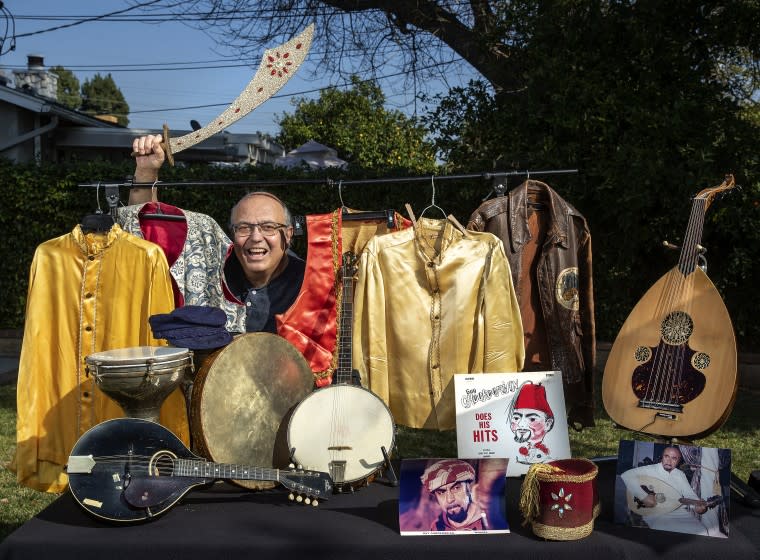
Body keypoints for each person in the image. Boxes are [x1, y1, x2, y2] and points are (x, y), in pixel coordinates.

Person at [130, 134, 305, 333]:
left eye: (268, 227)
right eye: (244, 228)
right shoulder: (211, 269)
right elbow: (145, 236)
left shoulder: (310, 285)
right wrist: (146, 171)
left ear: (288, 234)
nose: (256, 237)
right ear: (231, 233)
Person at [620, 446, 712, 536]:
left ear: (678, 461)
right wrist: (643, 496)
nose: (669, 461)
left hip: (679, 513)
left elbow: (689, 494)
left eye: (674, 458)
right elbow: (626, 475)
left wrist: (698, 506)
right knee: (665, 529)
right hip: (656, 513)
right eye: (666, 456)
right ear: (662, 457)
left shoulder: (680, 475)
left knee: (702, 530)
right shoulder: (651, 469)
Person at [420, 459, 488, 531]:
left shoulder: (489, 521)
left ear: (469, 488)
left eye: (456, 488)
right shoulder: (436, 527)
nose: (449, 499)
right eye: (441, 492)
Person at [507, 381, 555, 464]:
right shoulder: (510, 453)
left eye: (532, 419)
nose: (521, 425)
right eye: (516, 418)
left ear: (548, 424)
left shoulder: (552, 456)